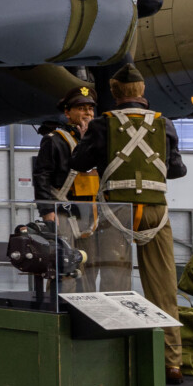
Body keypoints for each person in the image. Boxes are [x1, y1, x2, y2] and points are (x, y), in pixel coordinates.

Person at [68, 66, 189, 383]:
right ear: (141, 91)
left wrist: (84, 140)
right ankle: (172, 362)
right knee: (163, 288)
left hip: (116, 212)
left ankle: (116, 356)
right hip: (155, 212)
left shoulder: (102, 124)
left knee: (115, 286)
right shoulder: (164, 123)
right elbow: (177, 170)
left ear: (116, 93)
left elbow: (79, 163)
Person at [31, 87, 123, 290]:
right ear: (67, 112)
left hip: (92, 213)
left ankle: (86, 306)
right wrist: (46, 210)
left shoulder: (100, 142)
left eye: (90, 109)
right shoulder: (54, 140)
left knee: (89, 266)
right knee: (64, 266)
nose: (88, 113)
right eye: (81, 108)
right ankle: (60, 308)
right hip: (64, 212)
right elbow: (41, 177)